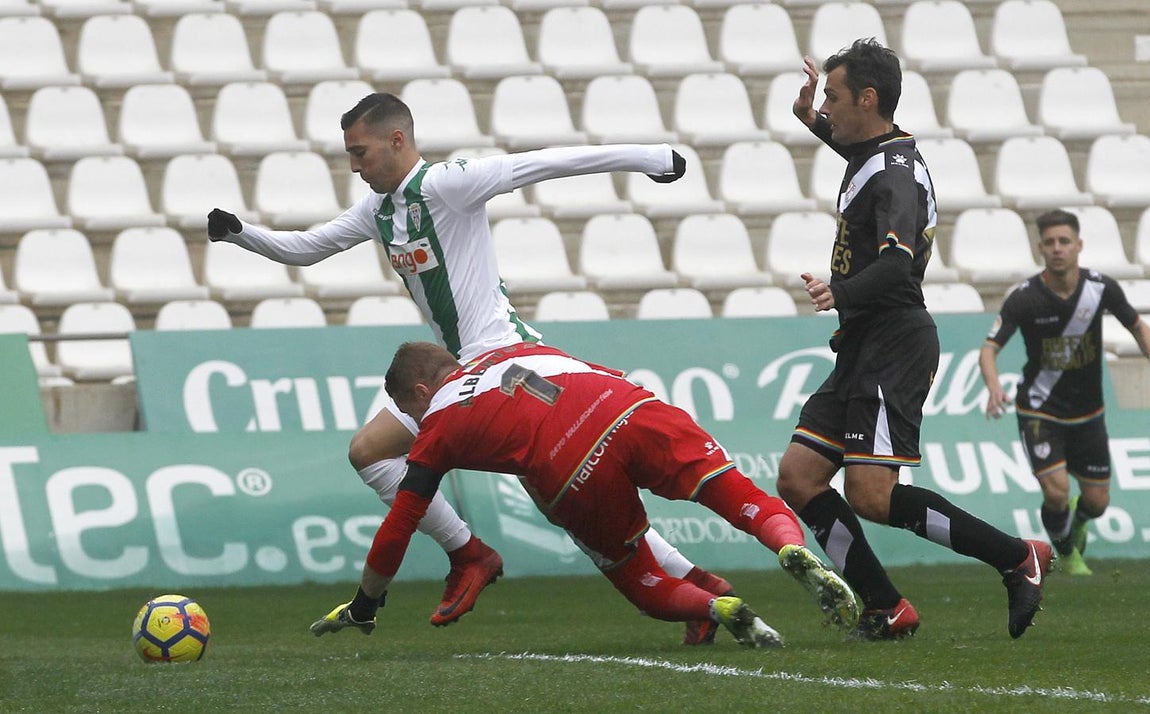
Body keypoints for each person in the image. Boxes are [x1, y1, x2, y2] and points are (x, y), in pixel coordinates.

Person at [206, 92, 733, 643]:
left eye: (361, 153)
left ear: (397, 140)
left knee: (564, 495)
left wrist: (651, 158)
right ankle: (469, 553)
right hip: (449, 375)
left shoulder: (449, 185)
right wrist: (241, 234)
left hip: (511, 362)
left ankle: (698, 587)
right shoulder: (377, 210)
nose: (355, 166)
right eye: (349, 156)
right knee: (368, 453)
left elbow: (546, 163)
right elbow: (307, 248)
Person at [309, 341, 860, 646]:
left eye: (409, 408)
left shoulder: (439, 422)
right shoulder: (511, 351)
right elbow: (571, 384)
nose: (413, 419)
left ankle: (716, 606)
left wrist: (366, 602)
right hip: (630, 405)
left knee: (640, 579)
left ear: (423, 391)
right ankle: (788, 545)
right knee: (735, 493)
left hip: (572, 469)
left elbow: (401, 523)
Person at [774, 38, 1053, 641]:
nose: (828, 106)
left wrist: (839, 293)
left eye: (834, 97)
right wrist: (811, 120)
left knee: (873, 495)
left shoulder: (897, 176)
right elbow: (853, 143)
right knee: (799, 478)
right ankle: (886, 605)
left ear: (868, 99)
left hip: (893, 341)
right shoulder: (877, 150)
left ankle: (1015, 556)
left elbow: (898, 266)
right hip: (863, 344)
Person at [980, 209, 1150, 576]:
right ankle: (1069, 553)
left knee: (1098, 502)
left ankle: (1081, 520)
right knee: (1055, 492)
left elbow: (1138, 327)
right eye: (1050, 242)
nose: (1058, 249)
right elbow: (989, 348)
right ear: (1040, 247)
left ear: (1079, 246)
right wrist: (994, 385)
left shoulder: (1100, 288)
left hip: (1089, 413)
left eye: (1065, 242)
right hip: (1040, 410)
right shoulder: (1024, 298)